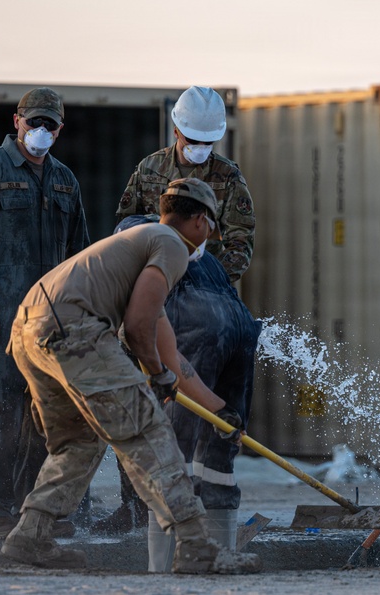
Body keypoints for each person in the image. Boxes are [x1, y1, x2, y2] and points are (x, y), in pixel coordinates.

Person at [0, 177, 261, 574]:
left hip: (30, 330)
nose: (209, 235)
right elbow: (139, 328)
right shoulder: (172, 244)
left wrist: (217, 408)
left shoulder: (139, 246)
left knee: (78, 443)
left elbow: (166, 349)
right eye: (211, 226)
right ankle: (195, 545)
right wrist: (155, 377)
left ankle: (30, 535)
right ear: (199, 221)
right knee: (148, 430)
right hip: (74, 329)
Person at [0, 87, 90, 541]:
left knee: (45, 416)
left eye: (49, 124)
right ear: (16, 121)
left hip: (49, 326)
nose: (41, 131)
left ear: (60, 129)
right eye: (34, 122)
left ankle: (36, 508)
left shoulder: (65, 182)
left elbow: (79, 255)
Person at [110, 213, 261, 540]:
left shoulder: (147, 247)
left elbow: (144, 330)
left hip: (201, 337)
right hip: (241, 330)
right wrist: (222, 409)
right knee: (220, 454)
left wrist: (157, 370)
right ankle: (223, 551)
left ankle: (169, 561)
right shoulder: (200, 256)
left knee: (174, 454)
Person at [115, 85, 255, 284]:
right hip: (154, 277)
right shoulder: (149, 168)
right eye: (193, 140)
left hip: (205, 285)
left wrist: (210, 277)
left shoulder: (228, 176)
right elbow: (126, 227)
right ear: (176, 131)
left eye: (208, 142)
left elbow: (241, 243)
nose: (200, 147)